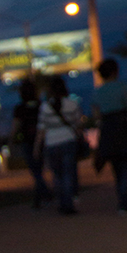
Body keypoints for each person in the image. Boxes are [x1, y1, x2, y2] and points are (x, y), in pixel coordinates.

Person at [91, 57, 127, 212]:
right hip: (124, 128)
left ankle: (122, 200)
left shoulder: (98, 92)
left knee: (116, 166)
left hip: (108, 129)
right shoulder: (122, 87)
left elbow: (96, 115)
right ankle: (126, 202)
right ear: (115, 71)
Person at [35, 75, 83, 215]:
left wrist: (37, 148)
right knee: (69, 173)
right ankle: (69, 203)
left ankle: (62, 203)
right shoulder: (72, 104)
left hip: (52, 143)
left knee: (57, 175)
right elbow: (79, 124)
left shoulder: (45, 107)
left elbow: (41, 130)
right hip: (68, 141)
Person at [11, 77, 51, 207]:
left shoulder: (20, 109)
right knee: (38, 170)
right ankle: (39, 199)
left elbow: (16, 127)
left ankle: (44, 195)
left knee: (36, 172)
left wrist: (11, 140)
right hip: (42, 141)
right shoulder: (41, 106)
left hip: (28, 142)